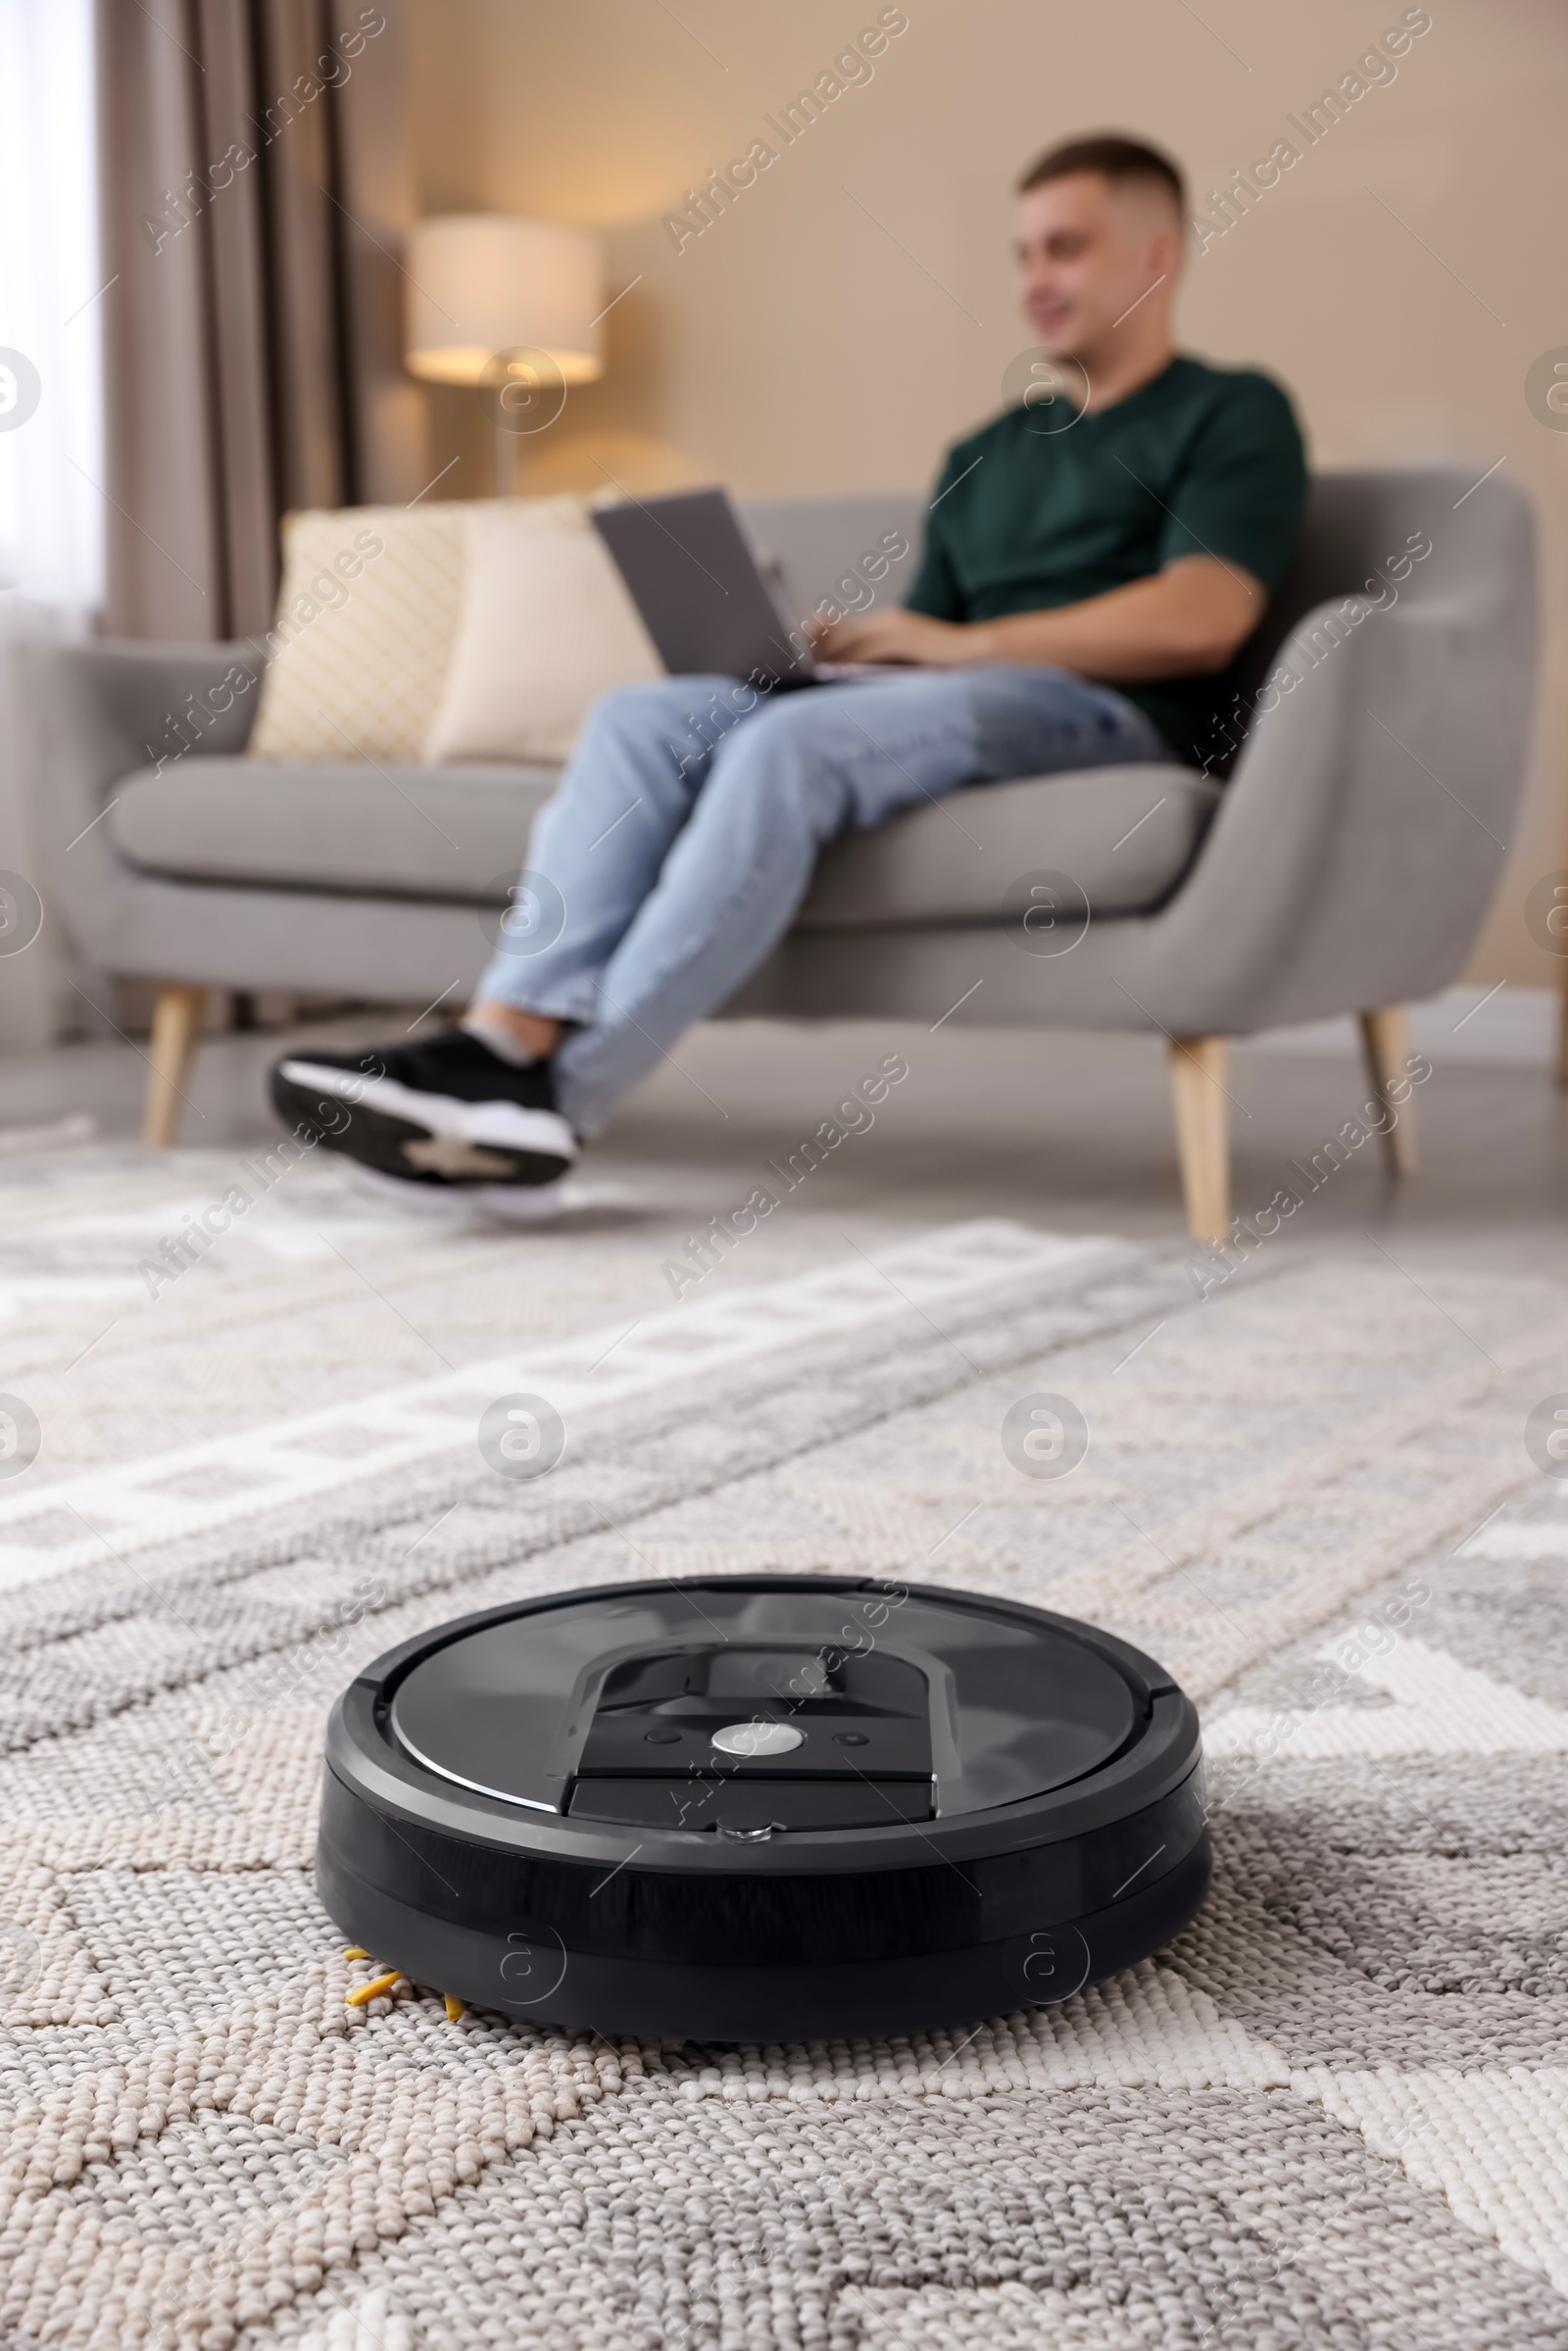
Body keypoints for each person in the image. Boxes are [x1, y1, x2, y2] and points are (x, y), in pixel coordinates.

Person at [270, 132, 1306, 1206]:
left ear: (1156, 257)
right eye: (1021, 255)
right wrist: (859, 645)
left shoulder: (1231, 411)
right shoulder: (986, 452)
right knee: (639, 716)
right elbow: (932, 636)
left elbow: (1205, 617)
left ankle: (555, 1102)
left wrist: (959, 648)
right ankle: (501, 1034)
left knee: (785, 745)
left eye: (1065, 249)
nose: (1034, 281)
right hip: (960, 700)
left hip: (1108, 713)